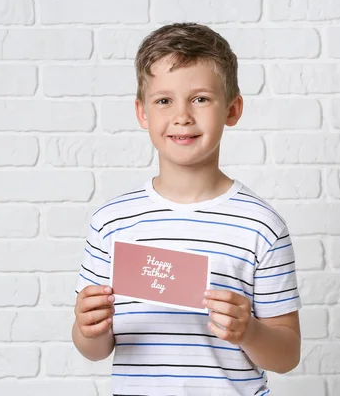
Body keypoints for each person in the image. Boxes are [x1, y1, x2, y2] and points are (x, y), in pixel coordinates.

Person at [72, 22, 302, 396]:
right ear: (142, 112)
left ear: (232, 108)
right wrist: (88, 328)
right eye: (164, 100)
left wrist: (250, 331)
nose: (182, 116)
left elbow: (287, 354)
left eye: (200, 99)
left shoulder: (261, 226)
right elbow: (95, 350)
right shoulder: (111, 223)